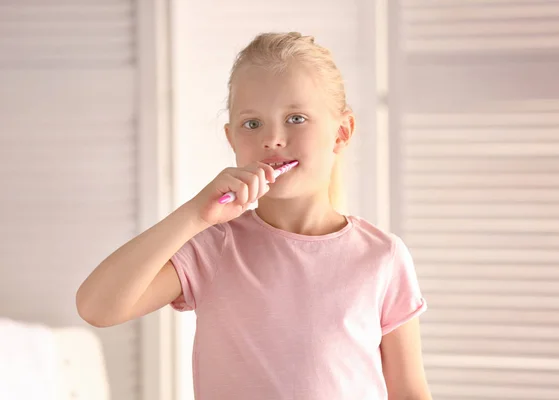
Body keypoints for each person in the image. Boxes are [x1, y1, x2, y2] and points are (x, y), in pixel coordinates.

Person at [76, 32, 431, 400]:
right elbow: (97, 307)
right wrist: (195, 213)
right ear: (231, 139)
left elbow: (408, 391)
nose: (273, 139)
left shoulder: (382, 257)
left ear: (341, 132)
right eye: (252, 123)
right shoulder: (214, 247)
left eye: (296, 118)